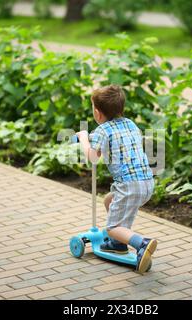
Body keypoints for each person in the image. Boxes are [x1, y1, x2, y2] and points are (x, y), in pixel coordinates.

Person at [76, 85, 157, 273]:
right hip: (146, 182)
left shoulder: (103, 131)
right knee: (109, 200)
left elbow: (93, 157)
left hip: (129, 186)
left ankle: (141, 243)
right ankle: (118, 243)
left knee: (111, 227)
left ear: (97, 113)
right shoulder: (131, 124)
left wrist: (83, 138)